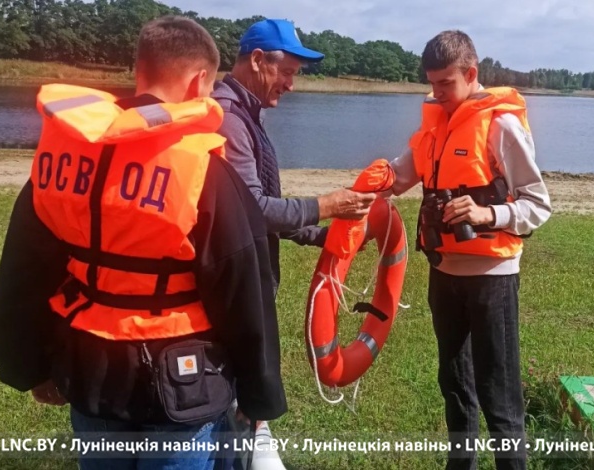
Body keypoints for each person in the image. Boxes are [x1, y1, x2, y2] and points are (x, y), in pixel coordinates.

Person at [0, 16, 285, 470]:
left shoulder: (59, 160)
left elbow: (22, 273)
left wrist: (26, 366)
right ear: (199, 80)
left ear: (139, 69)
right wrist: (259, 396)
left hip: (90, 374)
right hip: (182, 389)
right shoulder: (203, 171)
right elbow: (245, 291)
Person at [211, 18, 376, 470]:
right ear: (258, 60)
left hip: (247, 282)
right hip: (232, 289)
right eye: (288, 72)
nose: (291, 84)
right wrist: (329, 204)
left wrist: (325, 236)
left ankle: (247, 441)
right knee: (234, 397)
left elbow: (266, 211)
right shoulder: (228, 119)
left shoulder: (247, 114)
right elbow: (255, 210)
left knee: (246, 395)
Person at [386, 30, 552, 470]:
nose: (437, 94)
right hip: (445, 273)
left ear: (471, 74)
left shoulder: (501, 125)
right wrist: (361, 189)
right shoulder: (434, 125)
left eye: (446, 84)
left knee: (499, 394)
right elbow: (401, 174)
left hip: (492, 278)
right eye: (432, 83)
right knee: (455, 386)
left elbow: (538, 205)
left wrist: (486, 215)